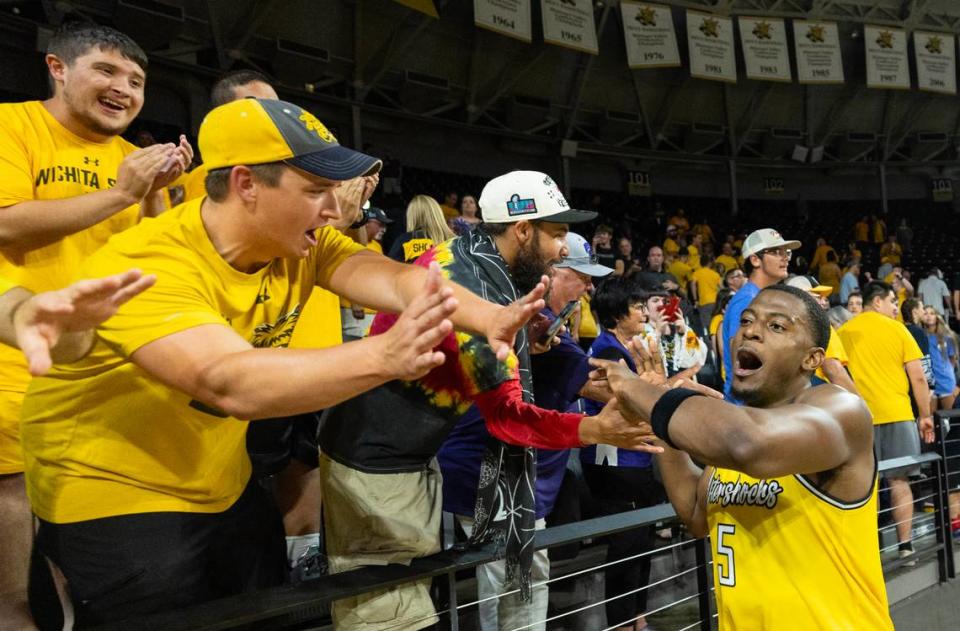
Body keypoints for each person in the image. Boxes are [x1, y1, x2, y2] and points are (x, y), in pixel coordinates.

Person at [20, 99, 545, 626]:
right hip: (114, 498)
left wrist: (489, 317)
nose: (332, 210)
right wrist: (384, 355)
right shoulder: (150, 262)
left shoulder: (295, 244)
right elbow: (230, 383)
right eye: (315, 191)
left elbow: (395, 278)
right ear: (247, 184)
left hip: (221, 485)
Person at [317, 171, 658, 631]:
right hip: (375, 462)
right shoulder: (479, 286)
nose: (564, 249)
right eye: (557, 233)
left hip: (403, 451)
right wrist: (593, 429)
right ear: (522, 230)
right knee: (388, 617)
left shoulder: (473, 260)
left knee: (408, 601)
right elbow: (507, 420)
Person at [0, 22, 192, 626]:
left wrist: (156, 196)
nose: (124, 89)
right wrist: (120, 193)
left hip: (102, 371)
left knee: (76, 525)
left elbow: (150, 255)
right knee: (13, 511)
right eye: (106, 71)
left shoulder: (133, 160)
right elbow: (5, 222)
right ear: (57, 67)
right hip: (18, 353)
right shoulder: (13, 124)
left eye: (136, 81)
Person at [591, 284, 894, 630]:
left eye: (776, 326)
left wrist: (636, 389)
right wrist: (659, 413)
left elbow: (748, 444)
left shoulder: (841, 409)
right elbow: (694, 514)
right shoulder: (739, 428)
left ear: (812, 358)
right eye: (747, 320)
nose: (750, 330)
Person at [437, 232, 613, 631]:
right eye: (581, 276)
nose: (590, 287)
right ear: (550, 274)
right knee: (515, 589)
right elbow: (597, 384)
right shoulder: (522, 323)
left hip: (512, 478)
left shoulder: (546, 329)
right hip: (495, 477)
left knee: (518, 584)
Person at [838, 281, 933, 563]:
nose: (895, 307)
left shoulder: (843, 333)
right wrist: (926, 415)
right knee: (899, 481)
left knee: (867, 486)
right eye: (892, 301)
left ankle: (870, 551)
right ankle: (905, 546)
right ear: (877, 302)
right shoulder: (898, 329)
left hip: (858, 418)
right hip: (898, 414)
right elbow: (918, 377)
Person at [721, 228, 800, 399]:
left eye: (786, 252)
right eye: (775, 252)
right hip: (747, 406)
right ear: (755, 260)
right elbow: (742, 353)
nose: (785, 257)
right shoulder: (747, 300)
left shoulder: (761, 297)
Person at [785, 275, 858, 395]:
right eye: (818, 296)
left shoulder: (784, 326)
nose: (823, 302)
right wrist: (860, 403)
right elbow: (833, 370)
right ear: (801, 298)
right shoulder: (819, 324)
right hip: (817, 397)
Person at [388, 194, 455, 262]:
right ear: (437, 213)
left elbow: (391, 269)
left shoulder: (405, 241)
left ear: (412, 216)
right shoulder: (455, 241)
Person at [924, 307, 959, 411]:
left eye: (932, 313)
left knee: (948, 421)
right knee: (931, 420)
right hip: (928, 384)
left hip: (946, 382)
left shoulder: (947, 337)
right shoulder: (921, 336)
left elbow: (953, 360)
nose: (929, 316)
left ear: (937, 316)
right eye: (925, 313)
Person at [690, 253, 722, 335]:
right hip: (716, 303)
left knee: (706, 327)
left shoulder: (697, 273)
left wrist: (695, 300)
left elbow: (693, 284)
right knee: (716, 324)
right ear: (710, 263)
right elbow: (721, 288)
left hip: (704, 303)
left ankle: (709, 345)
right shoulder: (715, 274)